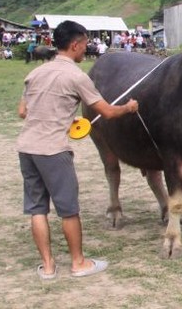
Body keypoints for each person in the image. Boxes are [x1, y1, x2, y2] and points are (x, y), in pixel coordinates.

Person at [17, 20, 139, 280]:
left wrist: (62, 117)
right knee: (68, 209)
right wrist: (128, 108)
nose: (87, 49)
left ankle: (48, 267)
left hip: (26, 148)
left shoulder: (36, 73)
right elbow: (106, 112)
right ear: (75, 45)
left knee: (37, 209)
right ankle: (78, 262)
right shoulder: (76, 76)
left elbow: (23, 111)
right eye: (85, 44)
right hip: (52, 151)